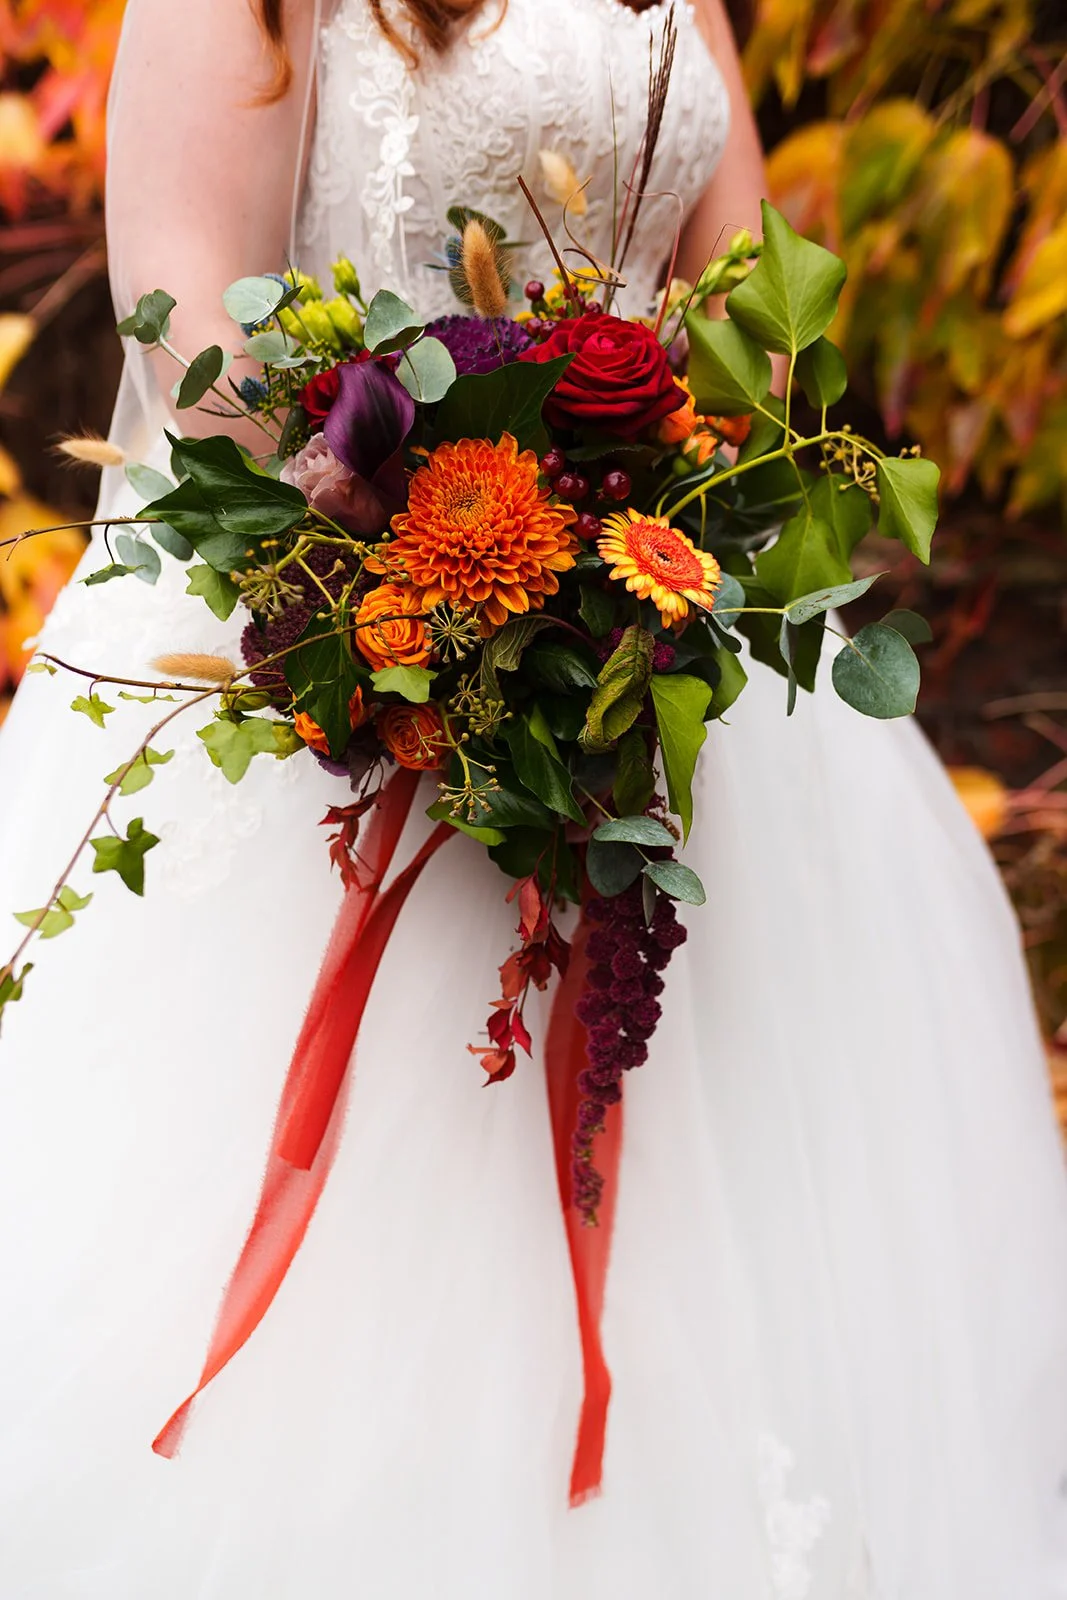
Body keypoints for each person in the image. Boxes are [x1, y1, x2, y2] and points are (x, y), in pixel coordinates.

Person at [0, 0, 1065, 1594]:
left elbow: (749, 311)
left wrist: (666, 518)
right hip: (352, 649)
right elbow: (203, 368)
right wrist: (448, 592)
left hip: (665, 630)